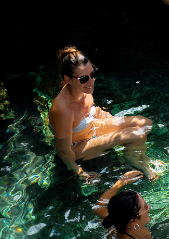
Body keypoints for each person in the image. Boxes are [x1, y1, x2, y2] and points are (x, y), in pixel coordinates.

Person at [49, 46, 160, 183]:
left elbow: (94, 111)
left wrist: (114, 123)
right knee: (137, 134)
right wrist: (79, 171)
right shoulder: (63, 109)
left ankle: (137, 156)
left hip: (92, 129)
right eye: (83, 78)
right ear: (68, 79)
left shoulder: (83, 89)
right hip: (77, 147)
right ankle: (137, 161)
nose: (91, 82)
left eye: (93, 74)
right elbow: (63, 151)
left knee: (145, 124)